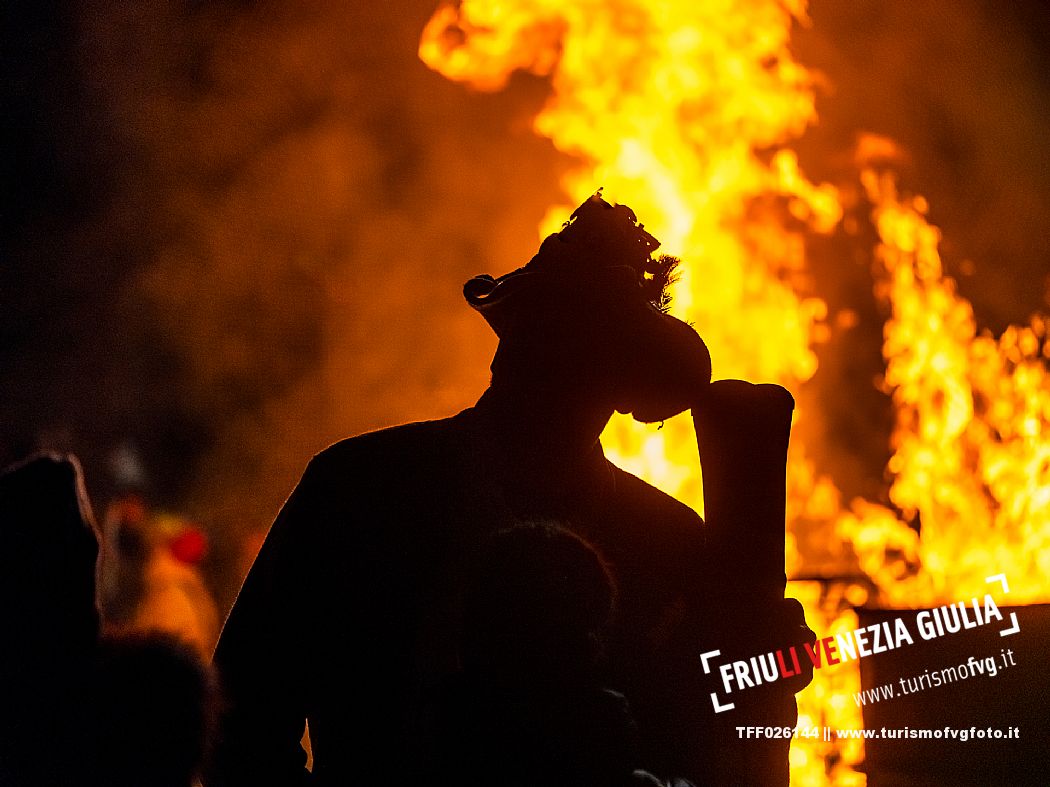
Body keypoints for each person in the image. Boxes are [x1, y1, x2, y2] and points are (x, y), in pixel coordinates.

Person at [208, 194, 811, 786]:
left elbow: (698, 748)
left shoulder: (667, 544)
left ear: (624, 385)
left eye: (581, 344)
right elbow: (239, 718)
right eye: (544, 332)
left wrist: (763, 668)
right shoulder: (360, 493)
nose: (549, 361)